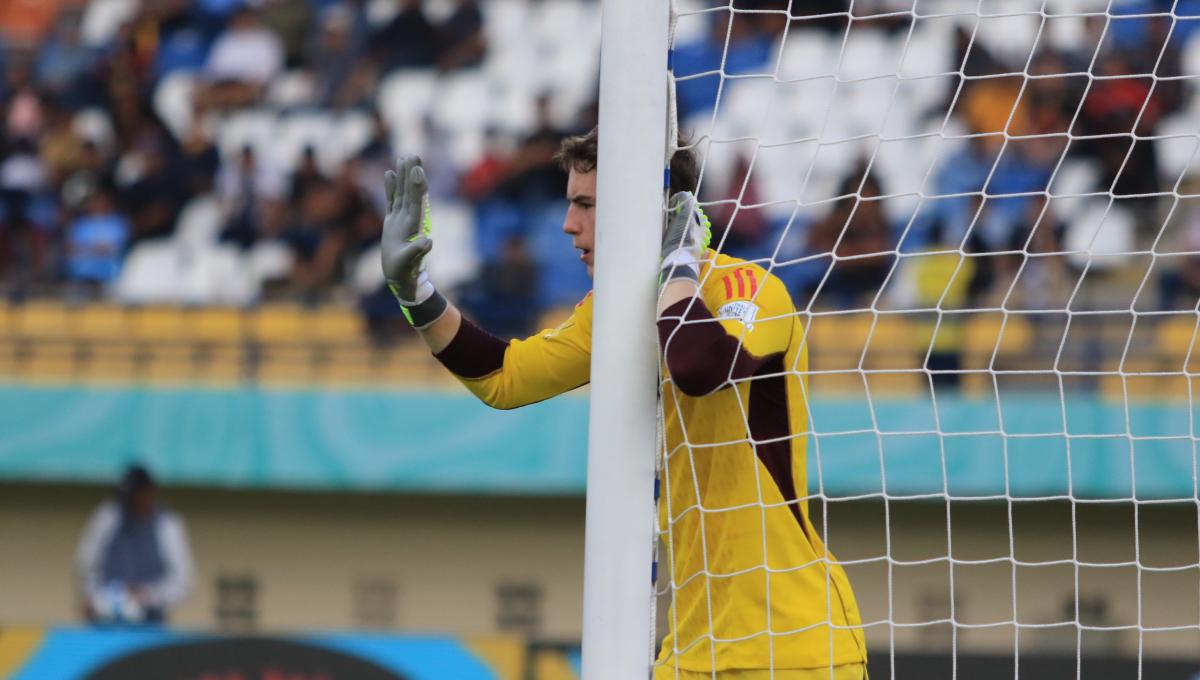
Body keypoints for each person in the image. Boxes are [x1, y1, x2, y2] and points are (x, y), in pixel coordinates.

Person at [380, 129, 868, 678]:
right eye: (570, 205)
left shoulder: (746, 288)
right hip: (689, 655)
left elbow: (696, 365)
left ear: (652, 209)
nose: (569, 225)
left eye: (587, 205)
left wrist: (681, 261)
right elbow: (503, 377)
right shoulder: (615, 311)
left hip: (794, 647)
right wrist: (414, 293)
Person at [76, 464, 194, 626]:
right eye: (126, 496)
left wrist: (146, 595)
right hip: (106, 621)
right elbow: (87, 563)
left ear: (150, 492)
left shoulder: (167, 524)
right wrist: (92, 598)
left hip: (150, 624)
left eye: (134, 495)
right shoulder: (108, 516)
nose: (129, 502)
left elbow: (183, 581)